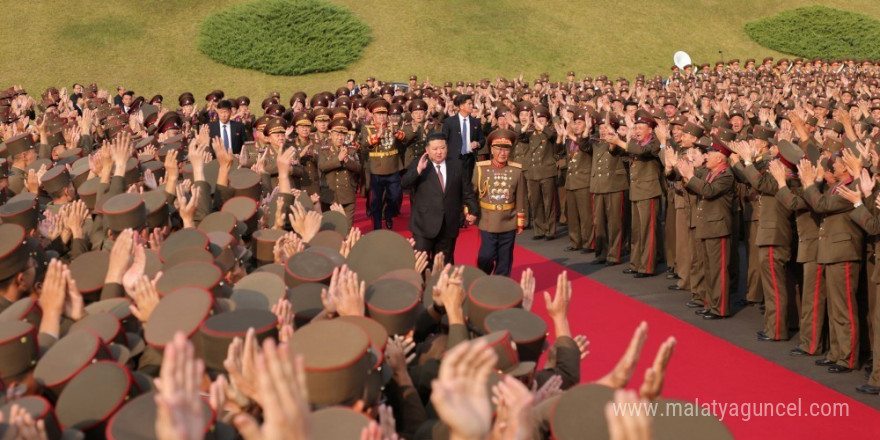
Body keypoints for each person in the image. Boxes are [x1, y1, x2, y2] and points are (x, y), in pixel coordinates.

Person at [402, 132, 478, 264]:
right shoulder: (420, 164)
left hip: (448, 224)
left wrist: (473, 210)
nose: (439, 152)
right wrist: (418, 171)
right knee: (421, 263)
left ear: (447, 148)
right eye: (435, 149)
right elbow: (404, 183)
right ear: (427, 150)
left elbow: (467, 190)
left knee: (444, 265)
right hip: (423, 225)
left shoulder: (457, 165)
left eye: (442, 148)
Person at [474, 129, 526, 276]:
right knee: (486, 256)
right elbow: (472, 193)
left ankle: (500, 288)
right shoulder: (481, 169)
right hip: (487, 219)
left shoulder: (516, 171)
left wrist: (520, 220)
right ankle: (483, 278)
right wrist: (469, 211)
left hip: (508, 220)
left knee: (505, 259)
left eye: (506, 149)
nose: (502, 153)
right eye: (499, 149)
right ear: (491, 149)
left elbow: (520, 197)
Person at [443, 94, 485, 187]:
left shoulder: (475, 122)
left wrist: (477, 143)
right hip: (454, 159)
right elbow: (444, 140)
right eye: (469, 104)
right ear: (461, 106)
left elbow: (482, 139)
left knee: (468, 184)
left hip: (469, 159)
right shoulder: (449, 122)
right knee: (454, 185)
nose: (472, 106)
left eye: (472, 103)